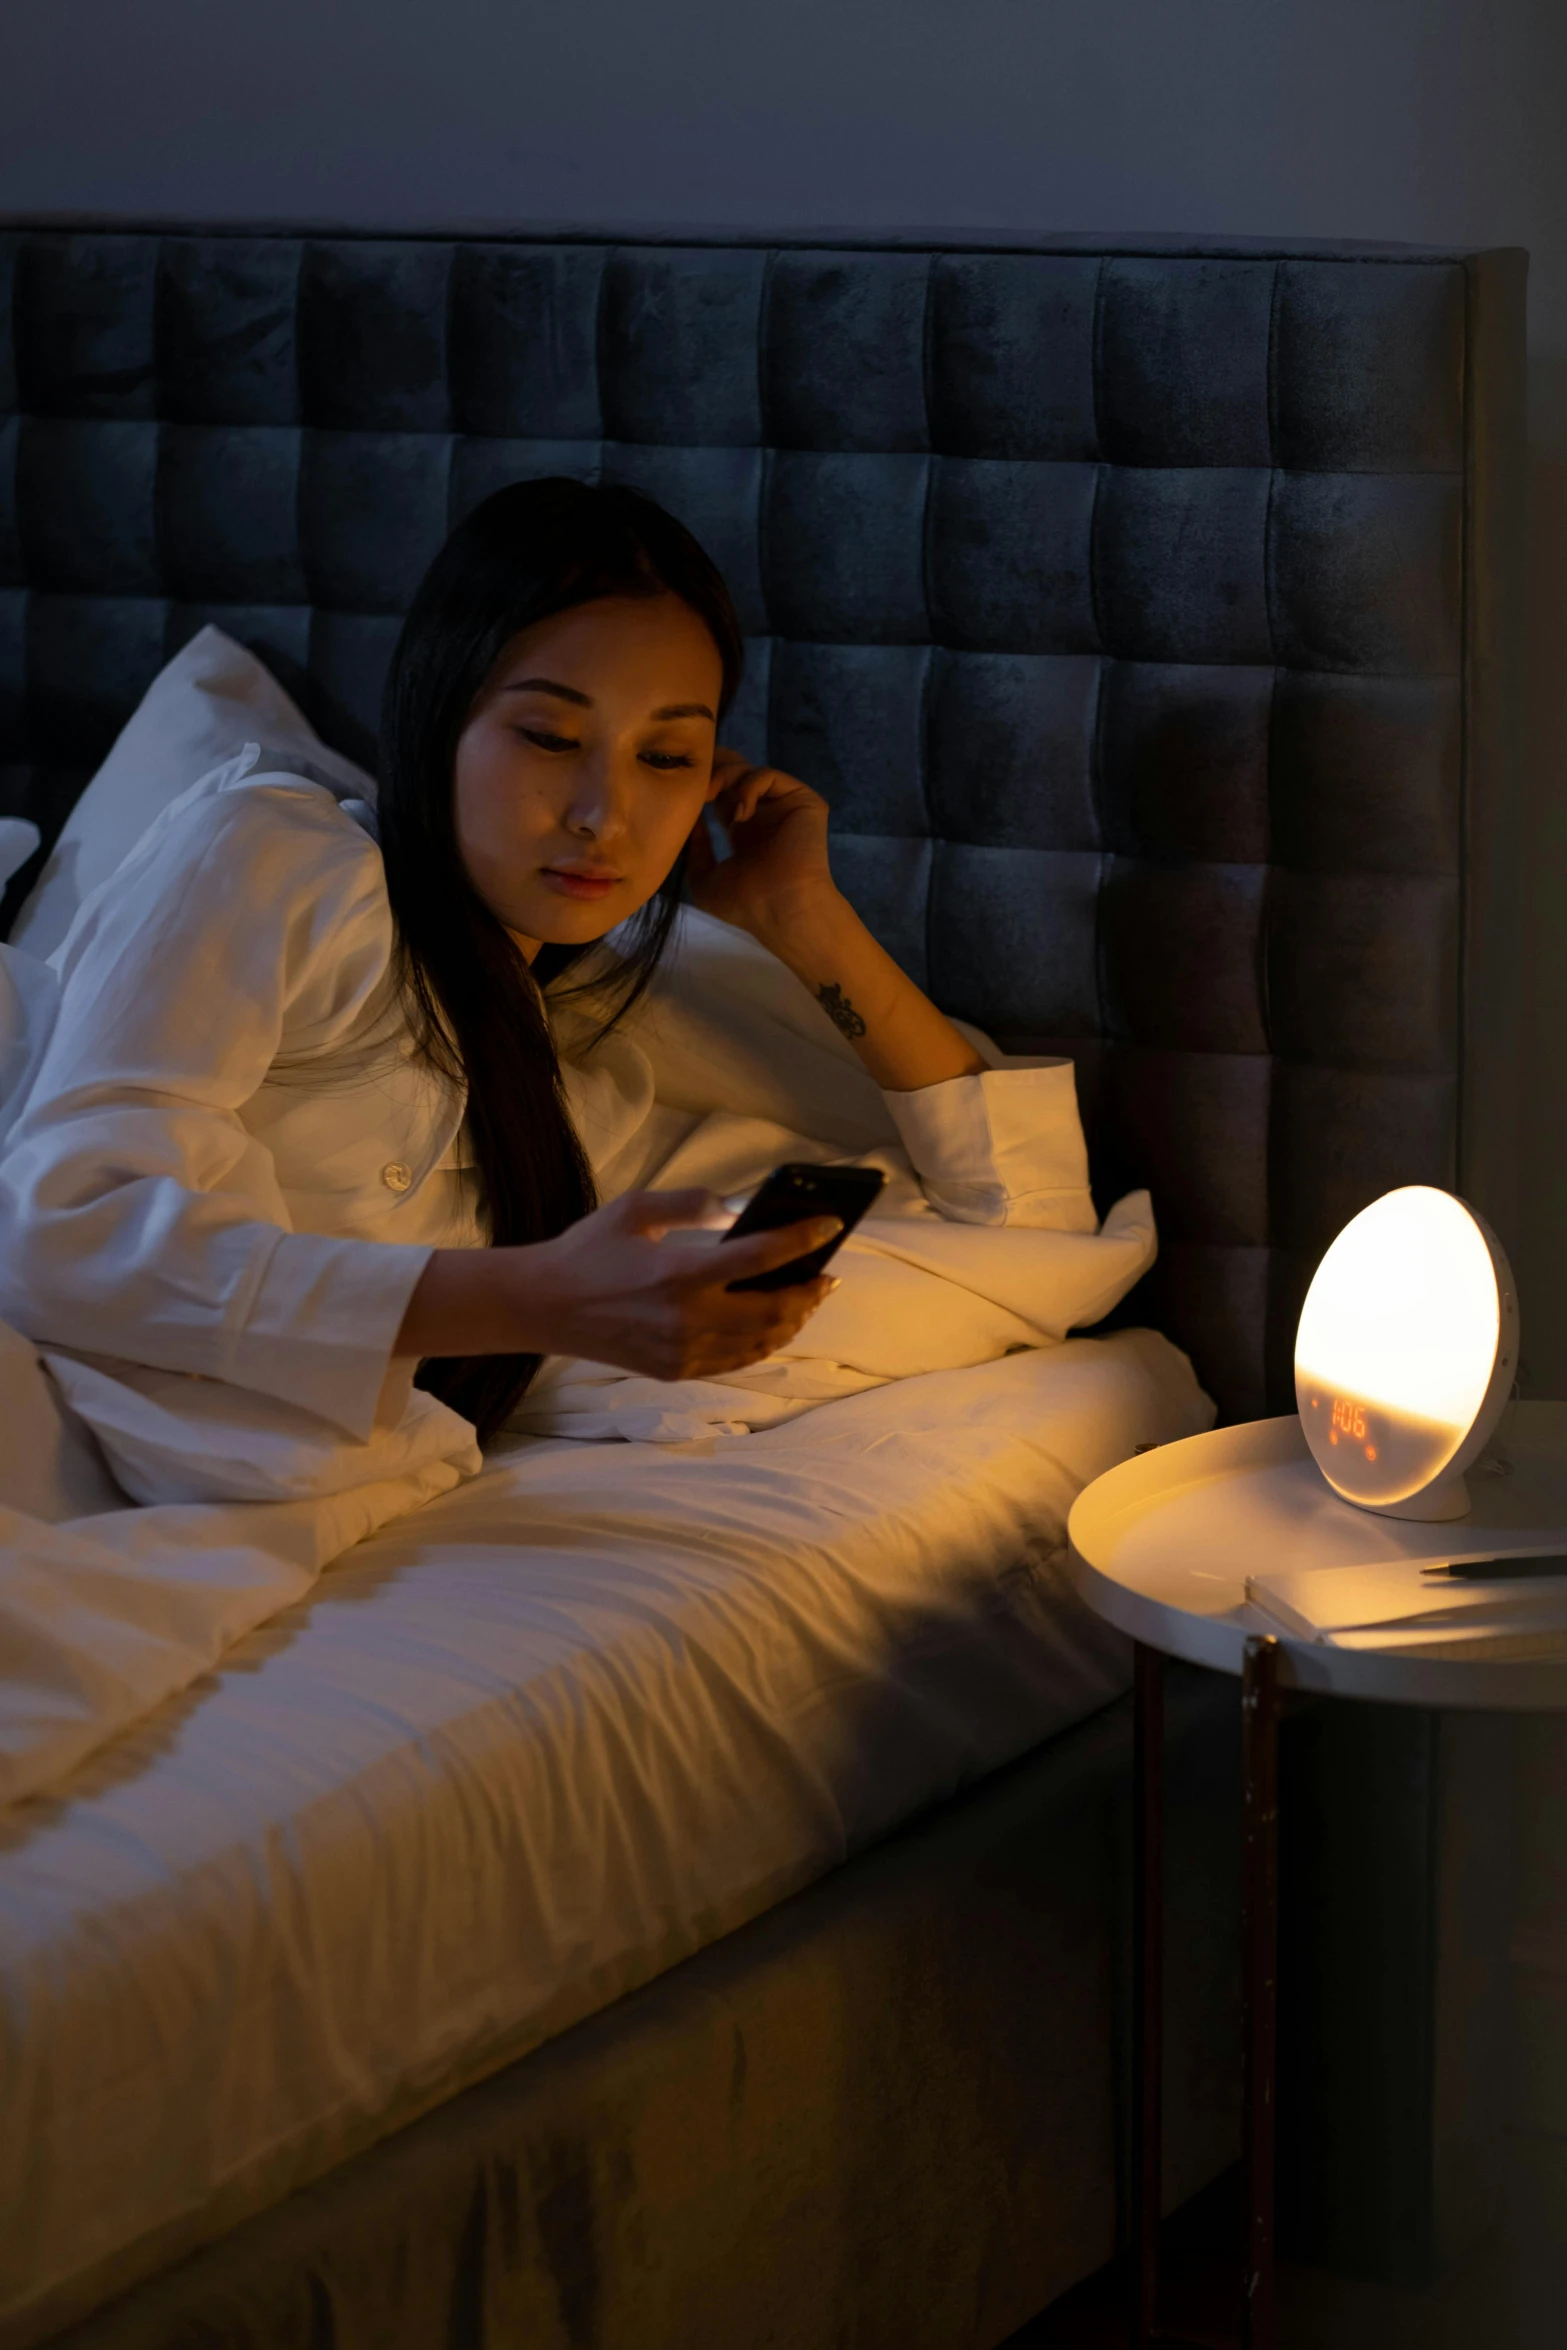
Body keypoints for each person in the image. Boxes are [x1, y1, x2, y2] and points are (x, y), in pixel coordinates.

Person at [0, 478, 1095, 1483]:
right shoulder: (285, 856)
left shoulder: (579, 1059)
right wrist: (544, 1297)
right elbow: (54, 1228)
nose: (600, 814)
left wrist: (800, 918)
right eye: (547, 734)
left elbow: (1030, 1223)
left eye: (665, 758)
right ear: (441, 720)